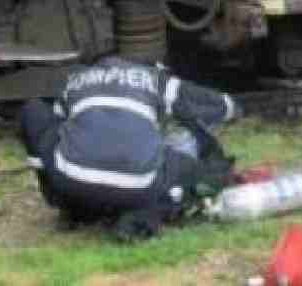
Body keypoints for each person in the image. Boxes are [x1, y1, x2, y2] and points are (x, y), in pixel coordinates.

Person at [19, 56, 241, 239]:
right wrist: (232, 108)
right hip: (139, 184)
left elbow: (60, 124)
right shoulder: (152, 78)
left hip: (71, 180)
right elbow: (198, 101)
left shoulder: (77, 79)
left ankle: (65, 205)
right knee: (186, 167)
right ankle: (148, 211)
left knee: (34, 111)